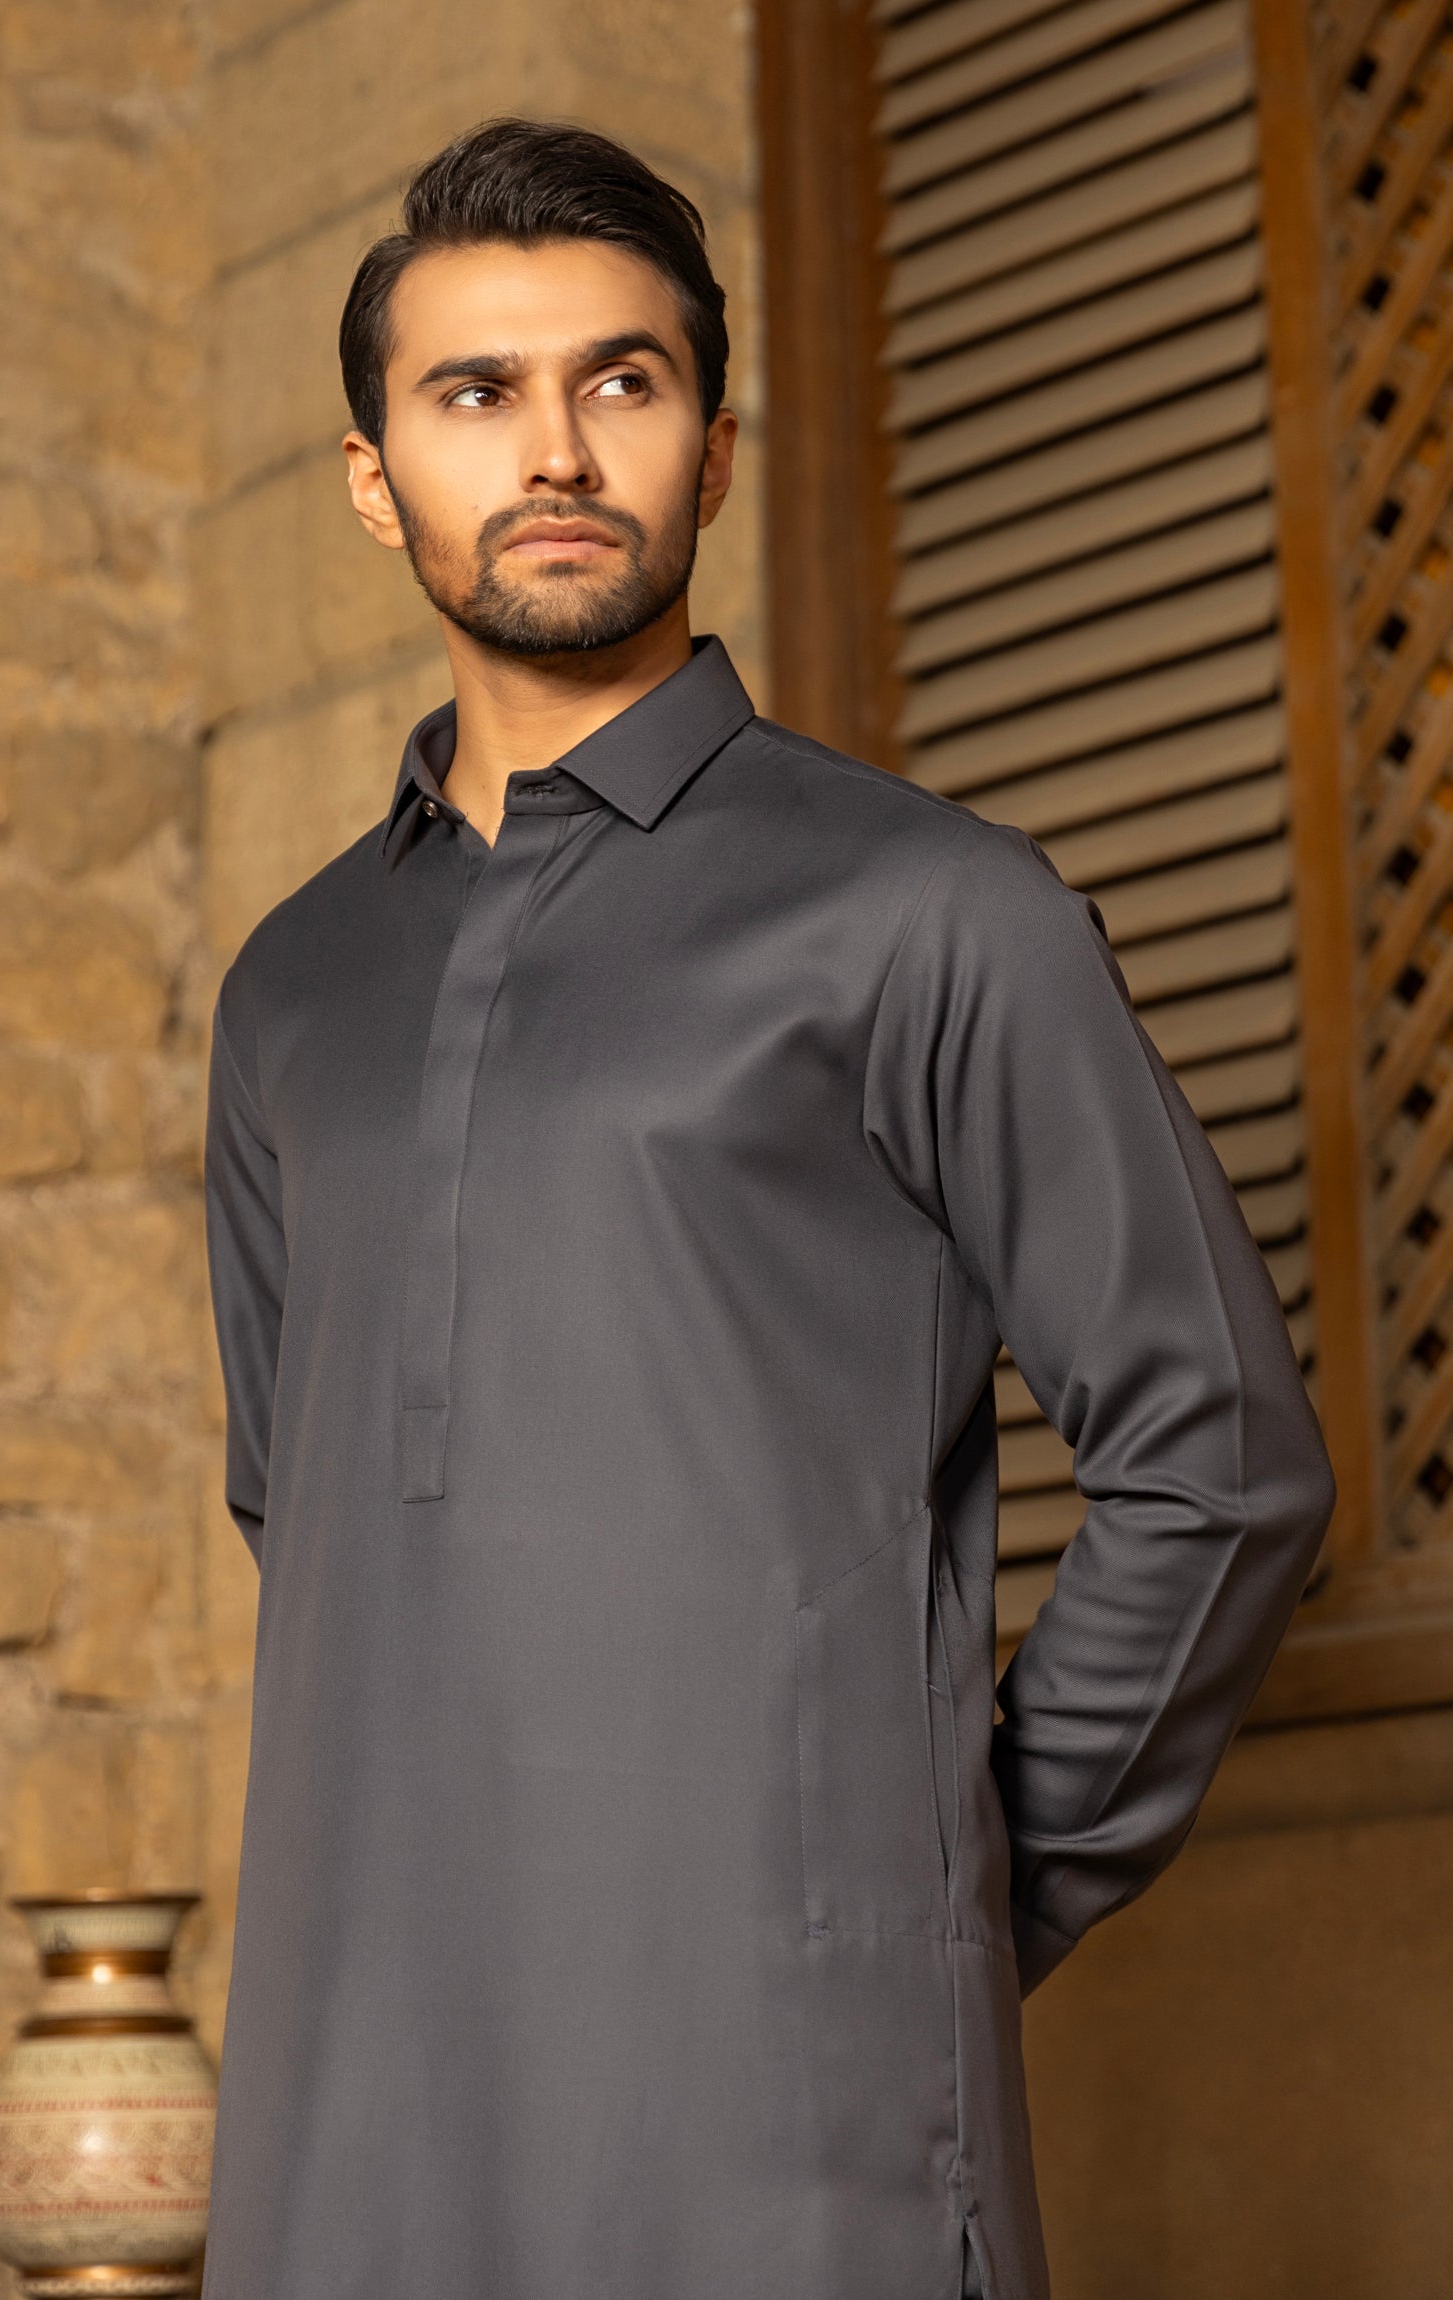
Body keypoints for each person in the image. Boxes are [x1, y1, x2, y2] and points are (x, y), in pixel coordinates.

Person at [201, 117, 1334, 2300]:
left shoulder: (932, 911)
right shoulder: (292, 990)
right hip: (357, 2115)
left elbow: (1218, 1461)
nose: (554, 449)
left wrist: (948, 1893)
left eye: (620, 382)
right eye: (475, 392)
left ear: (714, 453)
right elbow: (304, 1502)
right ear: (373, 477)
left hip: (792, 2120)